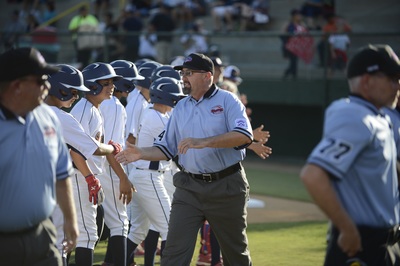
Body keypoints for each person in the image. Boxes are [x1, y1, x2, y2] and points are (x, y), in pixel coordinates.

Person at [116, 53, 257, 265]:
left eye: (189, 73)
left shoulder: (228, 100)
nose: (184, 78)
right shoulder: (181, 106)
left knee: (235, 253)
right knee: (173, 252)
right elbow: (166, 147)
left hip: (226, 185)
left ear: (207, 76)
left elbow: (245, 135)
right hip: (188, 187)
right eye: (183, 73)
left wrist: (204, 141)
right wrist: (142, 153)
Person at [299, 44, 400, 266]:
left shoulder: (380, 117)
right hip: (362, 244)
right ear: (366, 80)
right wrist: (347, 228)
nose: (398, 85)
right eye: (392, 78)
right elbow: (313, 175)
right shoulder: (355, 115)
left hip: (388, 241)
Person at [0, 47, 78, 265]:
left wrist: (71, 221)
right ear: (17, 85)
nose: (48, 85)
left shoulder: (48, 117)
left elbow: (61, 174)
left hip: (42, 235)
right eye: (41, 79)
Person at [70, 62, 134, 265]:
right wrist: (90, 178)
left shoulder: (93, 109)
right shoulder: (85, 109)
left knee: (81, 234)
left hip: (83, 175)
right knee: (86, 235)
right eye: (106, 83)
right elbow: (75, 150)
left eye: (112, 82)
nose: (112, 86)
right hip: (79, 176)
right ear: (92, 86)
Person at [127, 77, 186, 266]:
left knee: (137, 231)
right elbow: (178, 144)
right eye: (175, 97)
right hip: (148, 177)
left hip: (142, 175)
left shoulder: (155, 114)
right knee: (170, 228)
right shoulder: (156, 117)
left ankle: (114, 262)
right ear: (166, 97)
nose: (176, 100)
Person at [281, 8, 308, 80]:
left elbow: (305, 34)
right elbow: (282, 34)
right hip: (289, 45)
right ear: (294, 16)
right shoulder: (288, 24)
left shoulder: (302, 24)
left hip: (298, 45)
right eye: (298, 15)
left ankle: (289, 73)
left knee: (294, 60)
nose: (299, 16)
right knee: (293, 60)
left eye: (300, 15)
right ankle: (292, 74)